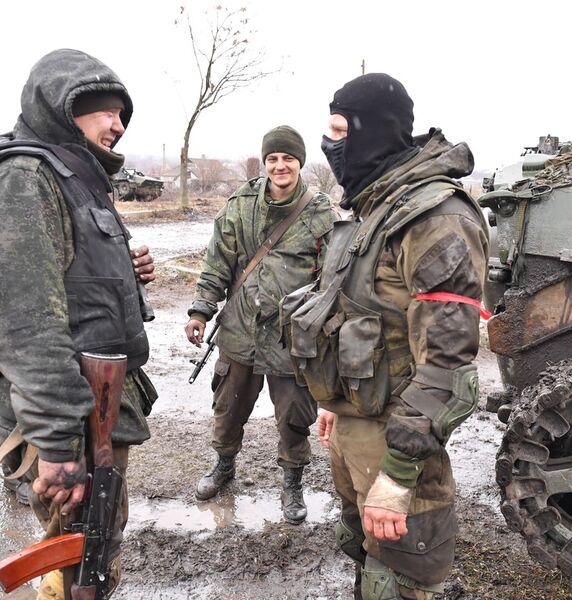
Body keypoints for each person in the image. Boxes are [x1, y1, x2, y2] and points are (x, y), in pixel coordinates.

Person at [283, 74, 489, 599]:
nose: (330, 144)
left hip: (399, 444)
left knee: (397, 580)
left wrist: (397, 476)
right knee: (365, 562)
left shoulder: (434, 217)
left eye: (340, 131)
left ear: (374, 129)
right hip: (356, 427)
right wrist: (338, 402)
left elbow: (446, 367)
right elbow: (354, 315)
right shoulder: (374, 207)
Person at [0, 49, 158, 600]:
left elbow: (70, 283)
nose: (118, 125)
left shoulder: (74, 175)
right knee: (78, 565)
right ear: (64, 108)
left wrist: (125, 274)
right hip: (70, 423)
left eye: (122, 114)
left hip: (97, 414)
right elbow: (26, 325)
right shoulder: (26, 177)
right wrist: (57, 445)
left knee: (94, 556)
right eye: (106, 111)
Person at [185, 125, 334, 524]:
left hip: (291, 336)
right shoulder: (241, 204)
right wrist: (200, 311)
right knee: (228, 407)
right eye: (273, 159)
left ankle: (292, 483)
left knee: (294, 415)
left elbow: (332, 278)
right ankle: (223, 466)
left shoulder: (320, 212)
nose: (280, 166)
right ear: (265, 162)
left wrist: (324, 329)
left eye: (288, 158)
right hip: (240, 329)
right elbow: (217, 261)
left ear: (300, 162)